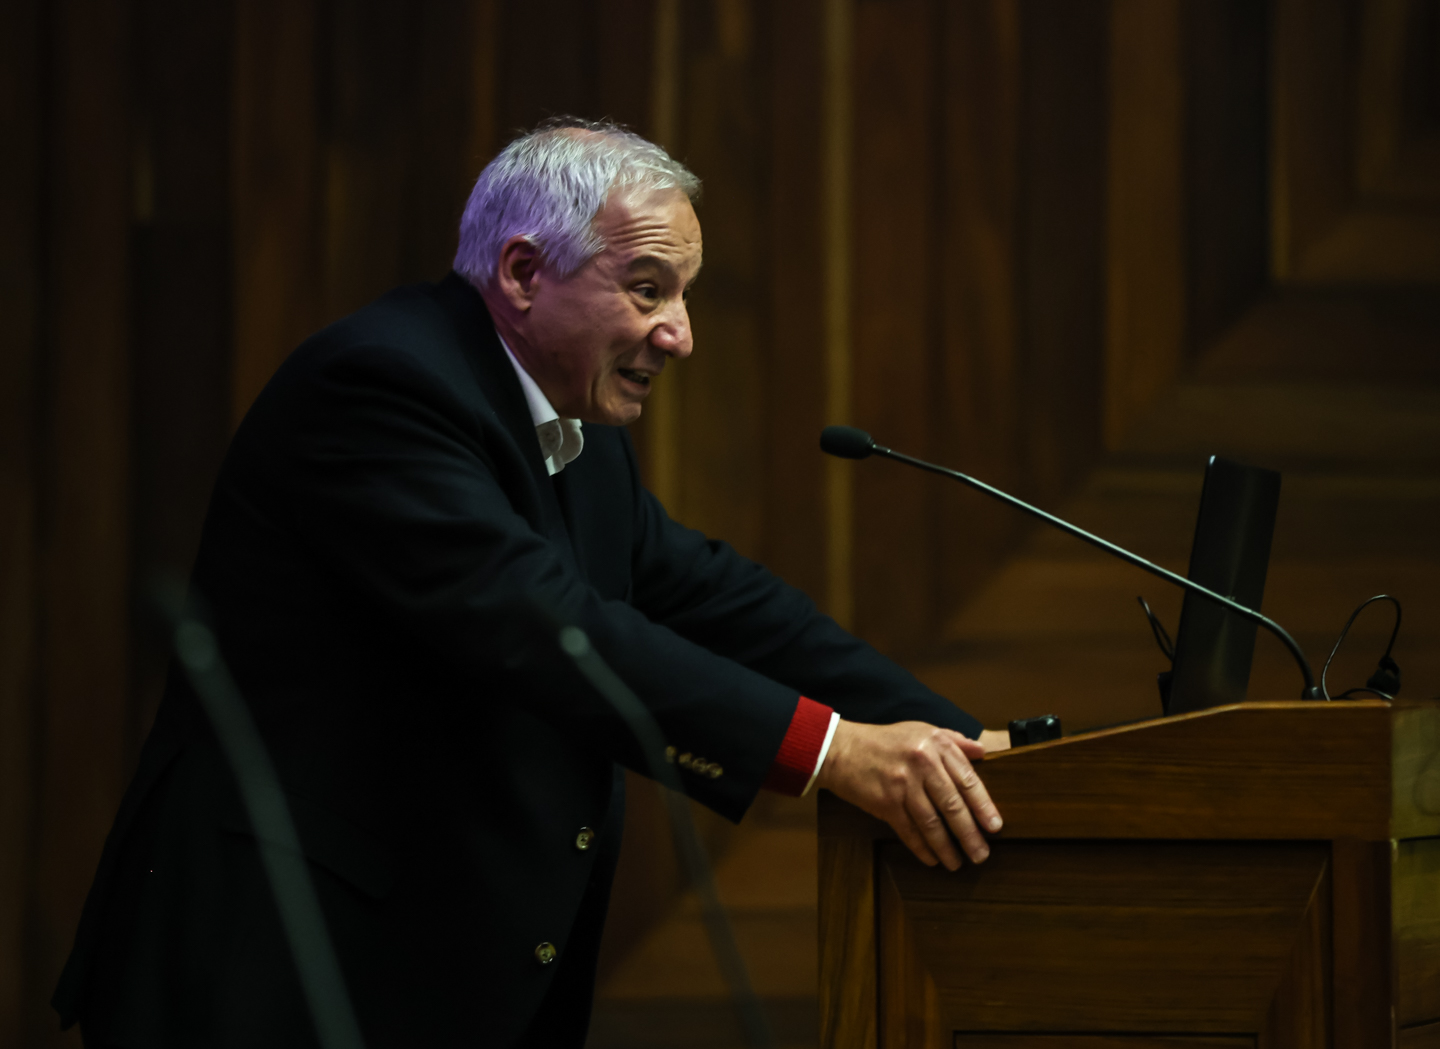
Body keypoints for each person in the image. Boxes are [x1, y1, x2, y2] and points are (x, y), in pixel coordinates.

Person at [53, 118, 1010, 1048]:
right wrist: (833, 753)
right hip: (273, 964)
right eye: (648, 289)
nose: (679, 335)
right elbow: (542, 626)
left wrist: (963, 743)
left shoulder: (573, 426)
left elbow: (715, 597)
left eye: (685, 295)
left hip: (427, 972)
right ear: (521, 273)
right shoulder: (381, 388)